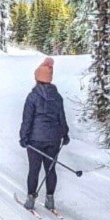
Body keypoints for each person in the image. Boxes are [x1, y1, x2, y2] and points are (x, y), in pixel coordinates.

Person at [19, 57, 70, 211]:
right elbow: (62, 117)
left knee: (34, 169)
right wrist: (65, 134)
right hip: (53, 139)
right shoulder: (57, 97)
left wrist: (23, 137)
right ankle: (50, 199)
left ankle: (30, 200)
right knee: (50, 169)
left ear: (37, 78)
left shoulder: (32, 96)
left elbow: (27, 119)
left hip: (35, 140)